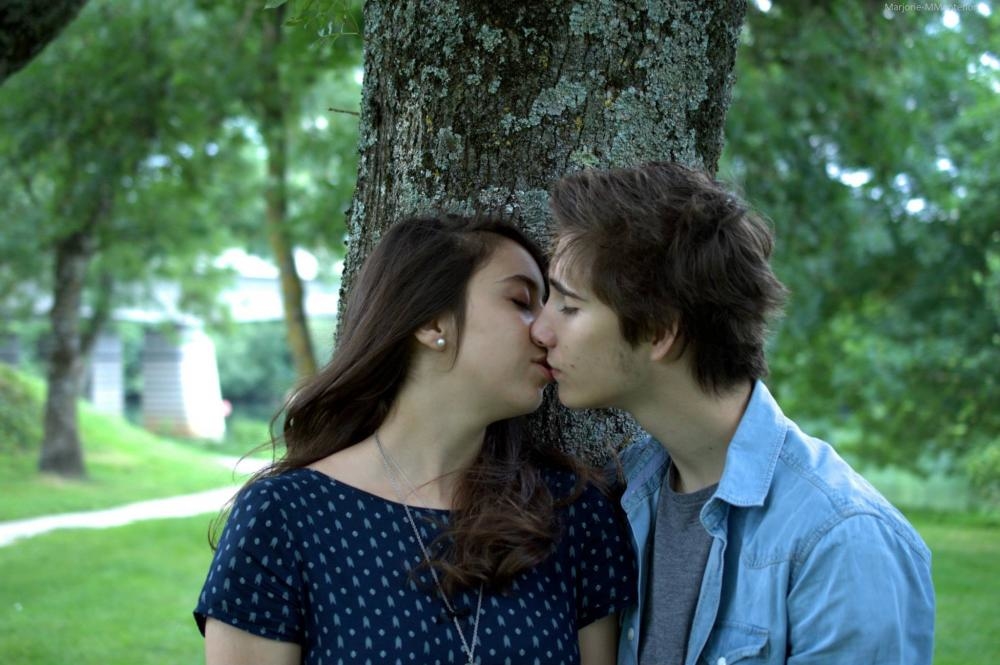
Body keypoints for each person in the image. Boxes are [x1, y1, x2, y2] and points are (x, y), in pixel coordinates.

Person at [529, 162, 935, 665]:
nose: (540, 331)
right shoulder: (615, 495)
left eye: (569, 307)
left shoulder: (842, 543)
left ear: (658, 331)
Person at [194, 213, 636, 665]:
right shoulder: (284, 517)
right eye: (522, 301)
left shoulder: (573, 512)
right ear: (432, 322)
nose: (545, 331)